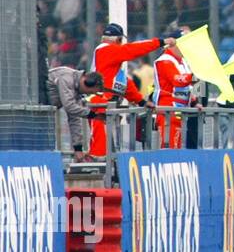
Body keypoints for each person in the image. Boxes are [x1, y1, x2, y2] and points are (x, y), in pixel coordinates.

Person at [89, 23, 169, 165]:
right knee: (101, 142)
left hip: (107, 104)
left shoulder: (109, 60)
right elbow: (133, 49)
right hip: (101, 103)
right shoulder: (107, 50)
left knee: (109, 143)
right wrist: (160, 42)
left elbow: (123, 84)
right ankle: (99, 165)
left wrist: (142, 102)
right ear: (118, 40)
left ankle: (106, 164)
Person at [47, 66, 104, 163]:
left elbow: (75, 118)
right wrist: (92, 115)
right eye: (90, 92)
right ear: (87, 83)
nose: (88, 94)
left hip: (43, 112)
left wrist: (78, 149)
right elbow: (69, 106)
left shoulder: (76, 89)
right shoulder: (66, 78)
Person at [154, 33, 194, 149]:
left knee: (177, 149)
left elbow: (188, 86)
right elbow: (177, 80)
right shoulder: (165, 60)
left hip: (179, 110)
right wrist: (193, 76)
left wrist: (195, 101)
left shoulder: (183, 61)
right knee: (169, 149)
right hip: (168, 111)